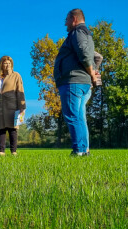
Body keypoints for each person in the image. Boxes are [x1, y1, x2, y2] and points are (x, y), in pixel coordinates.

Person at [54, 9, 99, 156]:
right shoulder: (86, 35)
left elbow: (84, 53)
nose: (65, 23)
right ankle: (84, 150)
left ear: (74, 19)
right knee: (79, 117)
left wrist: (92, 73)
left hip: (73, 81)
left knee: (72, 116)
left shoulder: (77, 33)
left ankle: (79, 151)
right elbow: (98, 56)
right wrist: (93, 71)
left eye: (66, 19)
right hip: (80, 82)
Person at [0, 56, 26, 156]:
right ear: (1, 65)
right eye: (5, 63)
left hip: (11, 105)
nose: (7, 65)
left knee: (12, 129)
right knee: (1, 129)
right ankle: (2, 151)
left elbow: (20, 91)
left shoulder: (16, 75)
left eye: (9, 63)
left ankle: (13, 151)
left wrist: (22, 106)